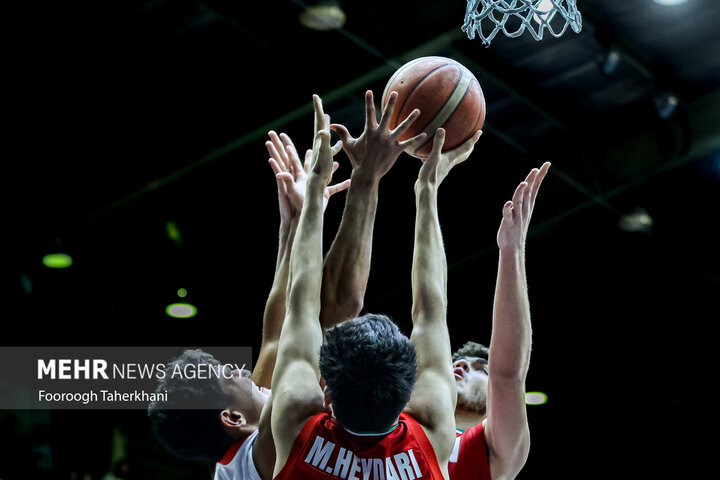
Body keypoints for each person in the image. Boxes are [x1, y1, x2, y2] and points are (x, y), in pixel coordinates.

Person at [268, 91, 481, 479]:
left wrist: (317, 188)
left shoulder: (296, 419)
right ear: (408, 399)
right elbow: (431, 311)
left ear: (325, 395)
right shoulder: (432, 433)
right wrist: (426, 189)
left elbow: (300, 300)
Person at [448, 162, 551, 480]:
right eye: (459, 363)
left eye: (481, 369)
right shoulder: (383, 424)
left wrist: (512, 250)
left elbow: (508, 376)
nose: (463, 366)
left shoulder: (489, 454)